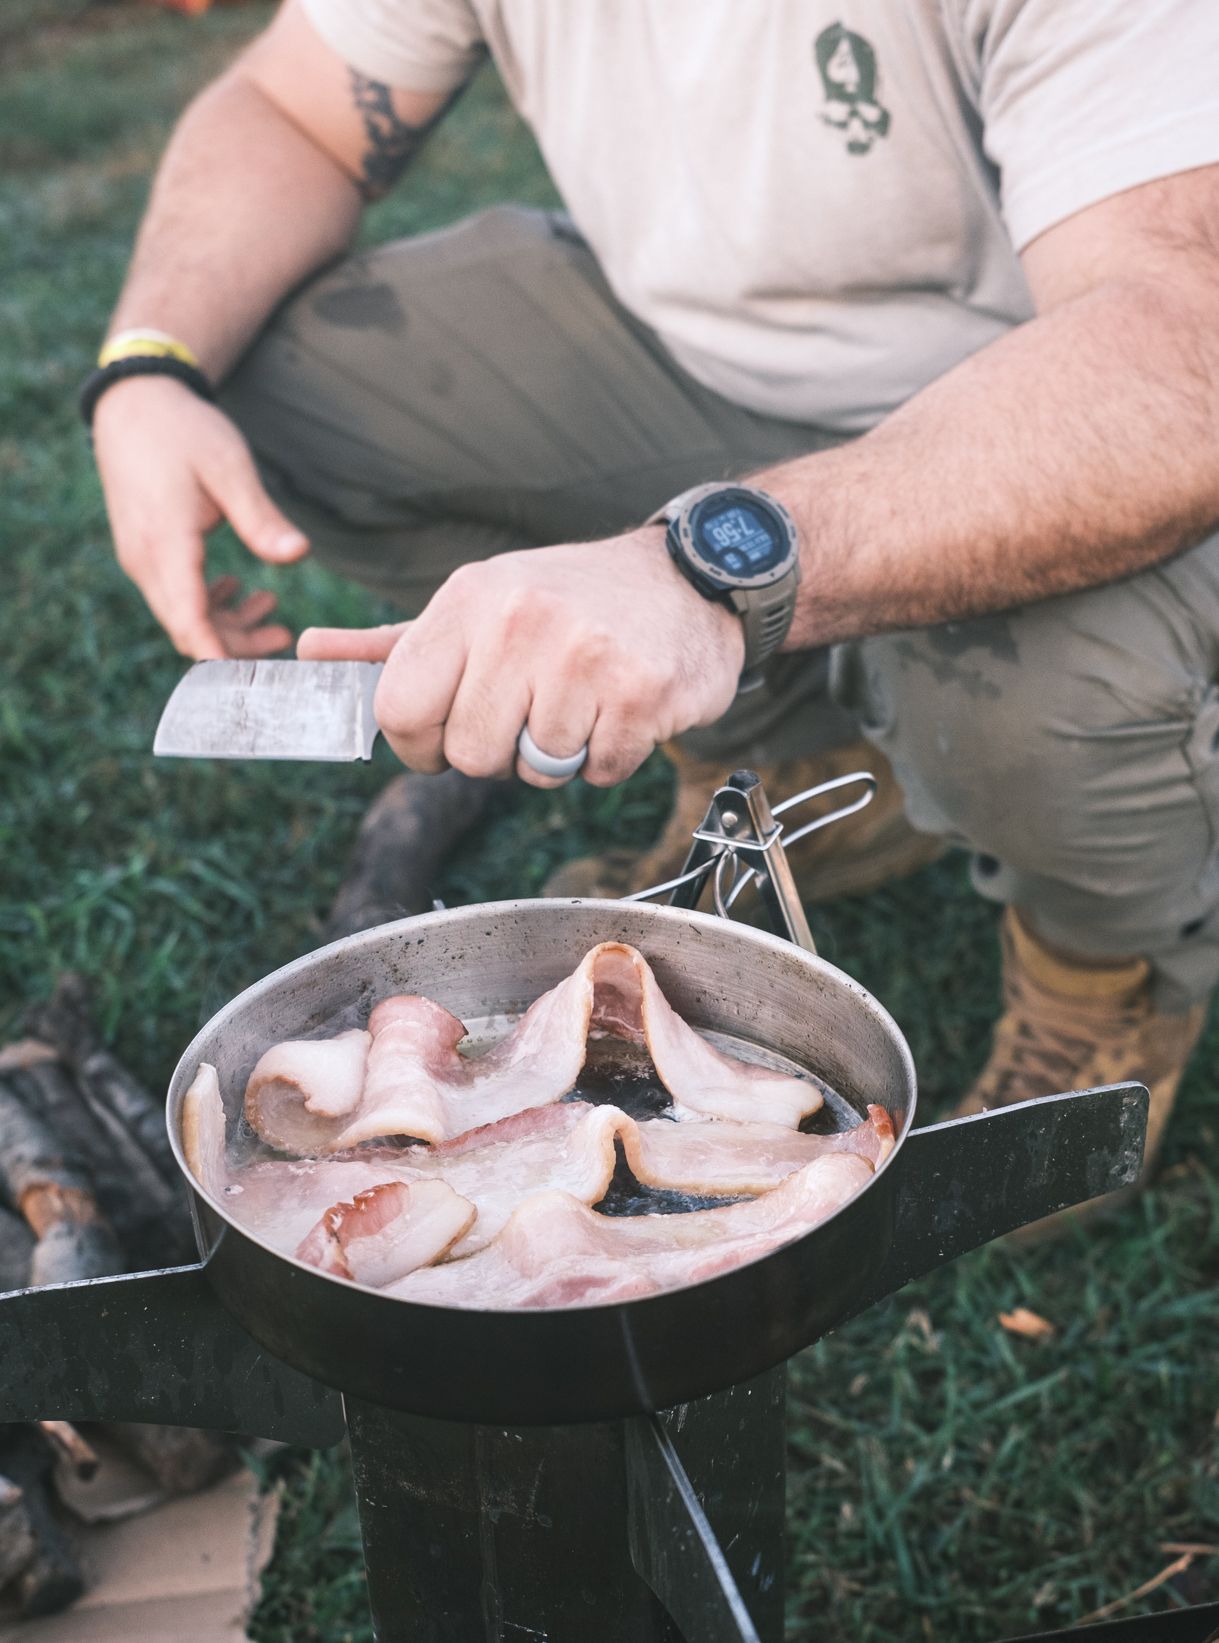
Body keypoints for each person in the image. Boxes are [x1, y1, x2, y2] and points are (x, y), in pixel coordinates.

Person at [86, 1, 1219, 1182]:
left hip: (1076, 420)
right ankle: (804, 760)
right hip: (711, 372)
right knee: (303, 375)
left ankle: (1102, 971)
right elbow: (291, 109)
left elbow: (1178, 360)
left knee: (1024, 677)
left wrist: (702, 572)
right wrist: (148, 365)